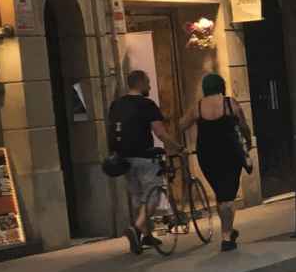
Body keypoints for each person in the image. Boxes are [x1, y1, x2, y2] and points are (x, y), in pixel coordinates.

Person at [177, 73, 253, 251]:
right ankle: (226, 237)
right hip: (230, 154)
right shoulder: (230, 104)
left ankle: (228, 230)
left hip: (207, 156)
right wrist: (248, 143)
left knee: (221, 194)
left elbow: (181, 125)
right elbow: (243, 126)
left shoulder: (197, 107)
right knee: (228, 197)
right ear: (221, 86)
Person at [107, 70, 176, 254]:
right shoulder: (147, 104)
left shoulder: (116, 105)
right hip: (145, 158)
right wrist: (177, 147)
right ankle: (136, 229)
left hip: (124, 159)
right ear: (141, 83)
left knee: (138, 197)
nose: (150, 86)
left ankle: (146, 235)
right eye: (148, 83)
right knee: (153, 196)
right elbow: (160, 132)